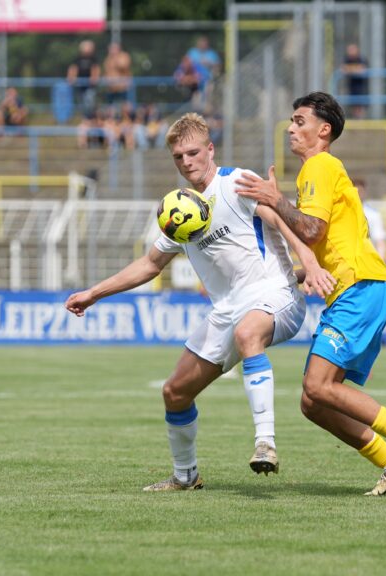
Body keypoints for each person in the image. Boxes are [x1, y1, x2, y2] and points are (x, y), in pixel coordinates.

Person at [64, 112, 334, 491]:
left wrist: (309, 263)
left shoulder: (236, 182)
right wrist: (94, 294)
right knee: (174, 393)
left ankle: (266, 443)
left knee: (248, 333)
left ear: (210, 150)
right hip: (227, 311)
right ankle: (185, 476)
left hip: (276, 294)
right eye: (178, 157)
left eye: (193, 153)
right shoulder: (181, 210)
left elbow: (281, 219)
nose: (187, 162)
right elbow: (149, 264)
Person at [235, 91, 386, 497]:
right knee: (314, 404)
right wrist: (298, 272)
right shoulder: (319, 171)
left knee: (318, 386)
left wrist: (274, 200)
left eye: (299, 121)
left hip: (360, 287)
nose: (291, 128)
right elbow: (325, 239)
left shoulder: (320, 165)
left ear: (322, 130)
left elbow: (312, 231)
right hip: (359, 288)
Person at [68, 40, 101, 118]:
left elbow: (96, 69)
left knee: (89, 102)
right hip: (80, 85)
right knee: (81, 103)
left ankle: (91, 118)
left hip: (90, 86)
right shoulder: (78, 59)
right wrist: (71, 78)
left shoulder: (93, 59)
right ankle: (85, 118)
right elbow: (73, 69)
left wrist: (95, 78)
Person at [355, 177, 386, 258]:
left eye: (360, 191)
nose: (358, 194)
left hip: (367, 259)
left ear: (364, 192)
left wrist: (381, 262)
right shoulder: (343, 212)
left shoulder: (373, 214)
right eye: (356, 191)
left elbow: (379, 240)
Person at [341, 43, 368, 119]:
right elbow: (343, 68)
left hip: (361, 86)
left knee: (360, 104)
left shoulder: (361, 58)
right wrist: (354, 69)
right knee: (353, 104)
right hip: (352, 86)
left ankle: (360, 120)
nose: (350, 52)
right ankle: (356, 119)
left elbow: (362, 69)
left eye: (352, 50)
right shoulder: (348, 59)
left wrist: (350, 69)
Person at [102, 42, 132, 106]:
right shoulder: (108, 59)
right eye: (110, 49)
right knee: (110, 106)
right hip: (111, 87)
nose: (111, 51)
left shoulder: (124, 56)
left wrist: (115, 59)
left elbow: (123, 66)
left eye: (113, 49)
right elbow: (106, 71)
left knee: (126, 105)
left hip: (123, 86)